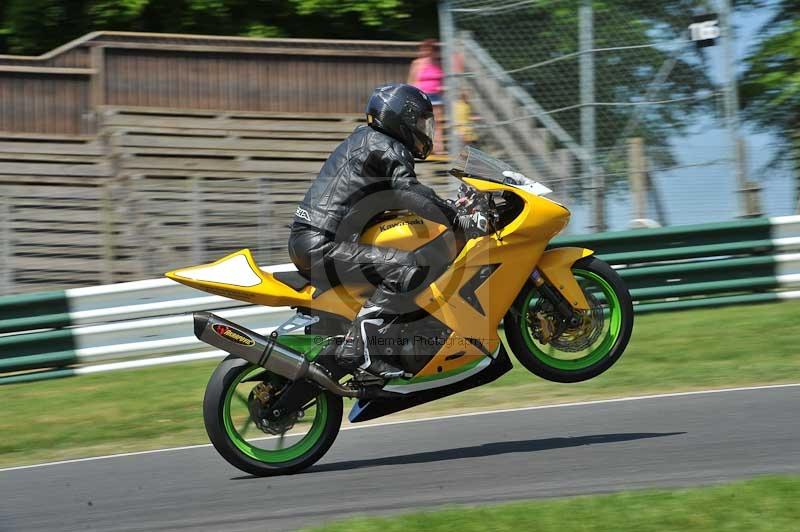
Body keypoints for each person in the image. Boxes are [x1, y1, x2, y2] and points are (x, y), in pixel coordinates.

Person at [288, 84, 483, 379]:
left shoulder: (367, 141)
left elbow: (391, 197)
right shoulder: (387, 146)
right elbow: (409, 191)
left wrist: (449, 205)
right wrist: (455, 217)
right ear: (400, 119)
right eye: (420, 122)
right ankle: (362, 349)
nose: (424, 130)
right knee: (406, 266)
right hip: (320, 244)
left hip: (313, 240)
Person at [408, 39, 445, 155]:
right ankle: (422, 147)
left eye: (432, 49)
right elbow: (411, 81)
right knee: (422, 123)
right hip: (422, 96)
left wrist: (442, 89)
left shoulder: (438, 63)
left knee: (437, 123)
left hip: (436, 97)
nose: (428, 51)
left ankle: (438, 147)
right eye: (426, 49)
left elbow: (442, 80)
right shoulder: (417, 63)